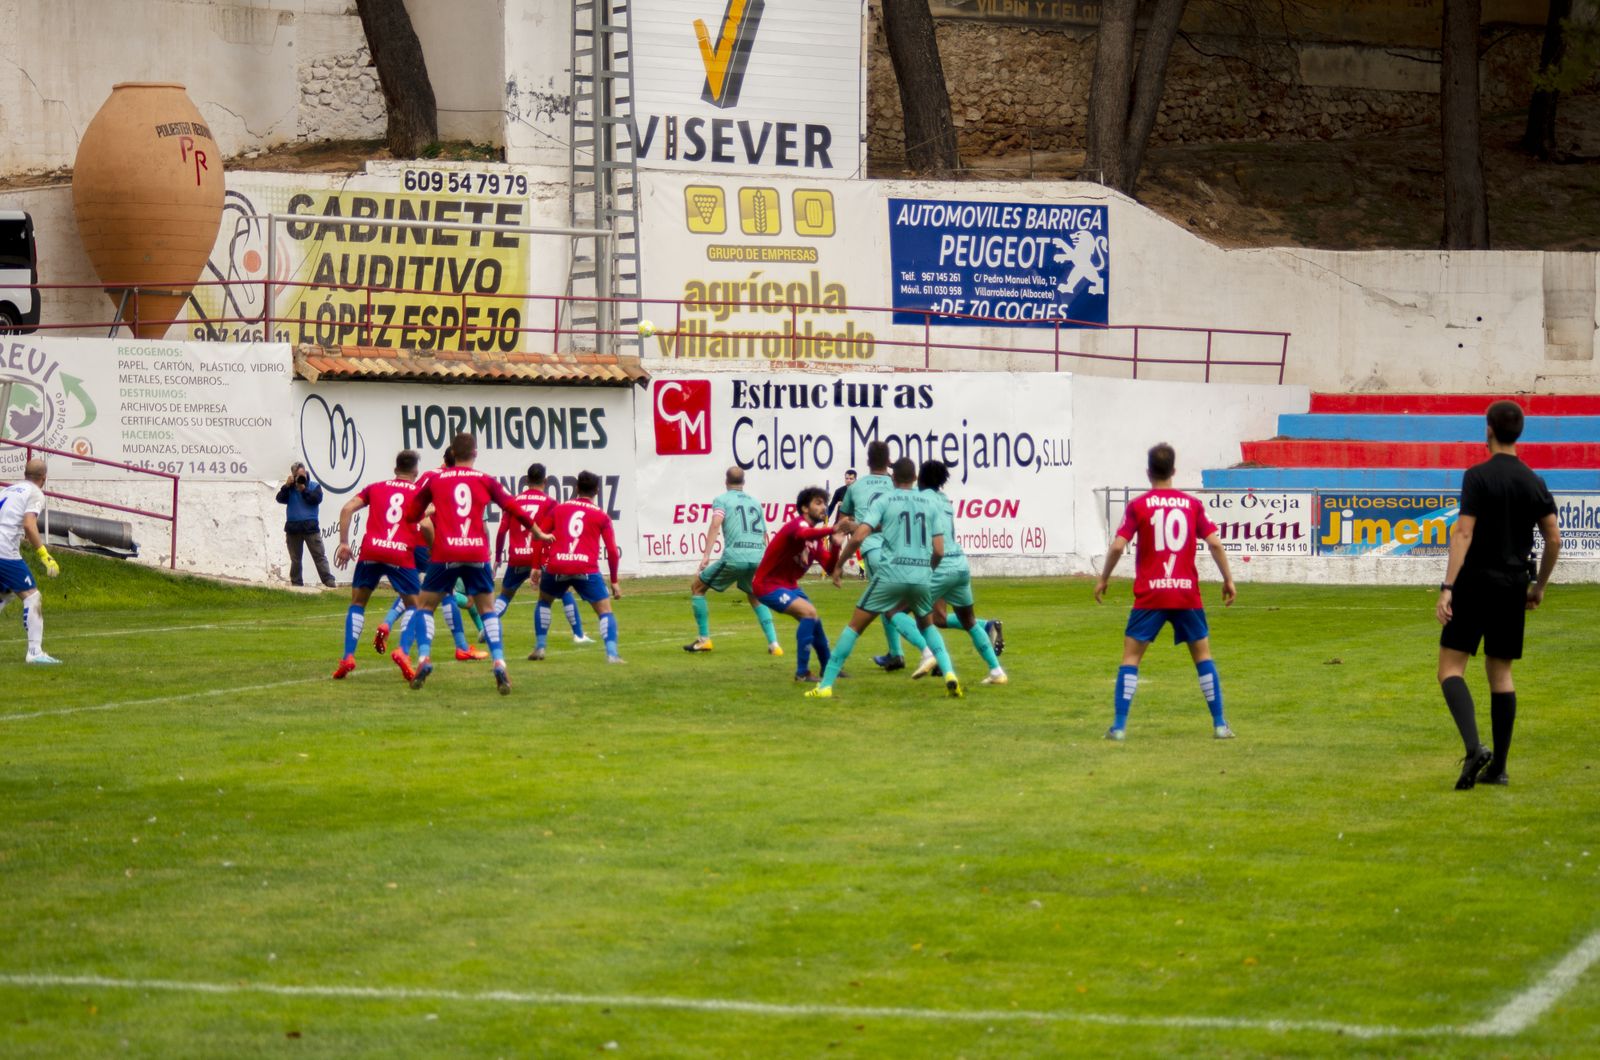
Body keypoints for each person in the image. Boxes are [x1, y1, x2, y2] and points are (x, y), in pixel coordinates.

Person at [1436, 400, 1560, 790]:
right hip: (1512, 584)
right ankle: (1499, 768)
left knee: (1450, 669)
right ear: (1519, 432)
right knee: (1501, 673)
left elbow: (1464, 532)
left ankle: (1474, 748)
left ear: (1488, 429)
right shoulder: (1533, 481)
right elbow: (1554, 538)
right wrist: (1538, 585)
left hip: (1475, 582)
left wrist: (1448, 586)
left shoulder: (1477, 476)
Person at [1094, 443, 1236, 741]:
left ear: (1148, 473)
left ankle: (1119, 727)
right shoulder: (1192, 505)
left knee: (1131, 658)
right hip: (1186, 594)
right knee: (1203, 656)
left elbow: (1118, 545)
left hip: (1151, 595)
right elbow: (1215, 544)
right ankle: (1220, 724)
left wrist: (1103, 578)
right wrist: (1228, 580)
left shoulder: (1138, 506)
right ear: (1173, 470)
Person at [400, 432, 548, 694]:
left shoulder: (436, 479)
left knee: (424, 606)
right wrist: (535, 530)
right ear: (475, 454)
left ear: (452, 455)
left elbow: (411, 513)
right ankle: (499, 661)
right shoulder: (485, 480)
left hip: (445, 552)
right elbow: (512, 506)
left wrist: (428, 514)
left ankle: (423, 657)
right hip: (476, 552)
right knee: (488, 609)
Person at [809, 458, 962, 700]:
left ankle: (825, 685)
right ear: (914, 479)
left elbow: (859, 537)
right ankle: (950, 674)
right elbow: (940, 550)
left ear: (893, 479)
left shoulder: (886, 500)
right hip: (922, 576)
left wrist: (838, 566)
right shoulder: (929, 504)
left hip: (891, 574)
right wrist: (927, 570)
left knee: (855, 626)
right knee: (928, 624)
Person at [375, 448, 486, 662]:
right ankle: (457, 647)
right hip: (432, 543)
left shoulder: (429, 476)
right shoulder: (453, 481)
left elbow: (411, 503)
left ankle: (387, 624)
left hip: (414, 542)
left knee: (416, 592)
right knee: (444, 594)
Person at [917, 460, 1007, 685]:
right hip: (959, 564)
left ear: (922, 478)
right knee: (965, 620)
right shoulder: (945, 501)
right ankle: (996, 671)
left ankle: (931, 656)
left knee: (900, 611)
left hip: (939, 565)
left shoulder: (922, 499)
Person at [684, 466, 782, 655]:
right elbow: (764, 535)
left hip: (735, 557)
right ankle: (774, 644)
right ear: (744, 482)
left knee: (697, 588)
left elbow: (715, 524)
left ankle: (704, 639)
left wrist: (706, 555)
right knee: (754, 595)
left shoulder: (721, 500)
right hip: (758, 557)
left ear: (726, 482)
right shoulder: (755, 502)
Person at [752, 486, 845, 681]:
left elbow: (829, 567)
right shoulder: (797, 525)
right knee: (809, 613)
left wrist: (836, 545)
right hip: (767, 584)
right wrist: (832, 529)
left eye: (824, 504)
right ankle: (802, 673)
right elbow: (803, 536)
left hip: (789, 585)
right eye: (818, 503)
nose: (823, 508)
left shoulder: (816, 539)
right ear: (804, 508)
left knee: (814, 621)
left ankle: (827, 668)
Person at [492, 463, 589, 646]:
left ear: (526, 481)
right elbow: (559, 532)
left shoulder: (513, 501)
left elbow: (502, 530)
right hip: (540, 558)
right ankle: (578, 634)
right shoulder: (550, 503)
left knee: (505, 595)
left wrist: (498, 557)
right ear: (545, 480)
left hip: (517, 557)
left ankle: (487, 626)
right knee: (564, 592)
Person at [534, 470, 624, 663]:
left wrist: (535, 566)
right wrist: (614, 581)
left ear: (576, 488)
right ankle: (612, 654)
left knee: (544, 601)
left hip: (558, 566)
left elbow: (539, 534)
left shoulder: (559, 509)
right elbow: (612, 551)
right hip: (585, 568)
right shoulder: (601, 516)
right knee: (605, 612)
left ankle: (540, 647)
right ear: (597, 491)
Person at [837, 442, 903, 669]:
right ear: (888, 461)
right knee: (909, 605)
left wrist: (849, 529)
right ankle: (897, 653)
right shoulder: (898, 485)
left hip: (874, 550)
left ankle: (918, 652)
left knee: (889, 606)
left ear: (867, 461)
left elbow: (844, 520)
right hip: (901, 550)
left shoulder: (855, 487)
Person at [0, 458, 62, 665]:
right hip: (4, 551)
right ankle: (35, 652)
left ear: (25, 474)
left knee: (5, 595)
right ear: (43, 479)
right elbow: (29, 524)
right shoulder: (35, 493)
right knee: (32, 596)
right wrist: (45, 555)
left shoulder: (9, 490)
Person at [276, 460, 335, 587]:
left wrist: (303, 489)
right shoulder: (290, 489)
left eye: (303, 474)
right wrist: (286, 486)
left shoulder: (314, 486)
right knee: (295, 560)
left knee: (319, 556)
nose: (302, 477)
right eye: (299, 475)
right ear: (293, 476)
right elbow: (279, 499)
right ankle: (297, 584)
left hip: (311, 528)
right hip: (293, 529)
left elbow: (315, 499)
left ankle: (329, 581)